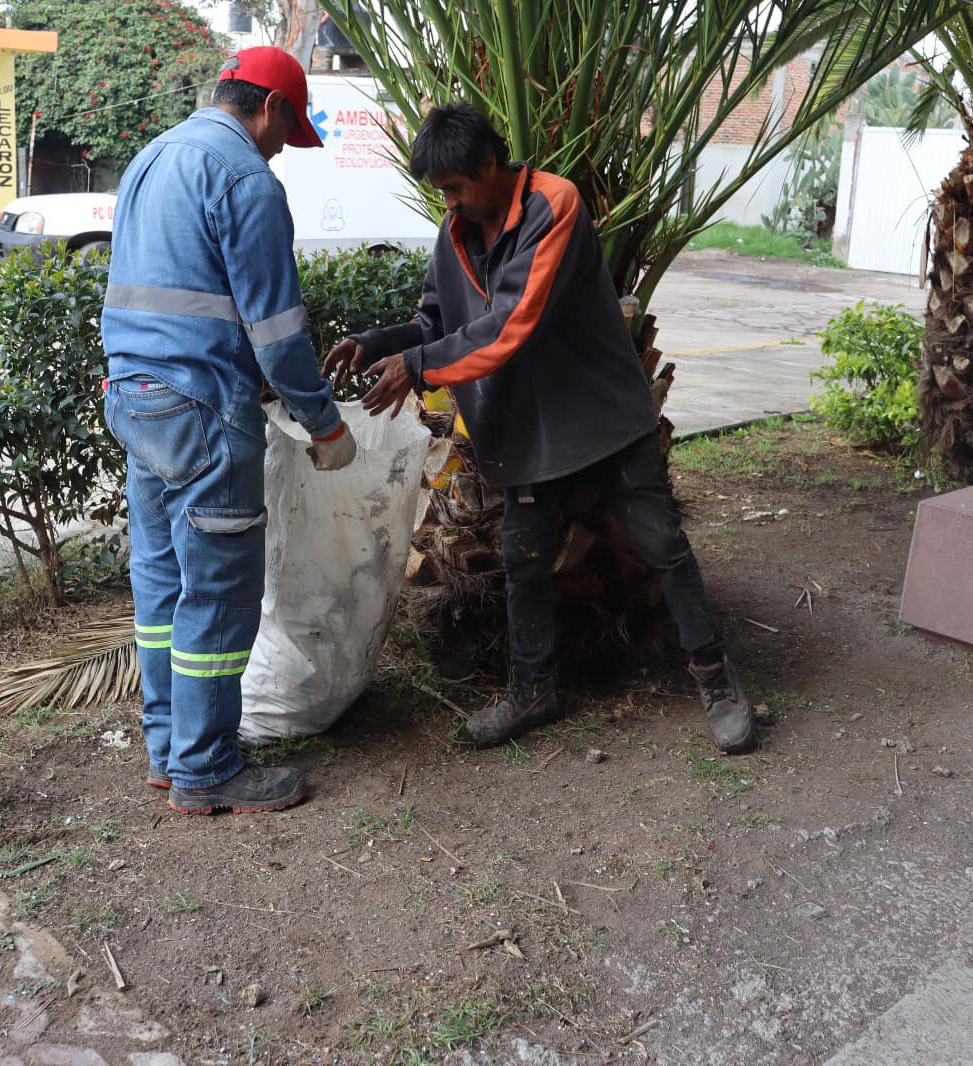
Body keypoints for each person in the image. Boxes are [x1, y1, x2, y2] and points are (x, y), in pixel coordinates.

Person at [324, 103, 756, 754]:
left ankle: (719, 684)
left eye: (456, 187)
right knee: (522, 563)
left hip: (603, 420)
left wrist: (416, 367)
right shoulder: (456, 230)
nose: (450, 202)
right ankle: (535, 691)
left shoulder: (555, 205)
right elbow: (434, 323)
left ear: (491, 165)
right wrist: (377, 342)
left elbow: (510, 325)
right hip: (527, 433)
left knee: (662, 543)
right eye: (441, 192)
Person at [101, 48, 355, 815]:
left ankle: (168, 749)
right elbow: (277, 334)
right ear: (270, 107)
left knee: (160, 584)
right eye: (288, 131)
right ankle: (206, 770)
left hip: (134, 398)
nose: (283, 148)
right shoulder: (246, 179)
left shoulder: (151, 157)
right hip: (203, 410)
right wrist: (325, 423)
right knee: (216, 593)